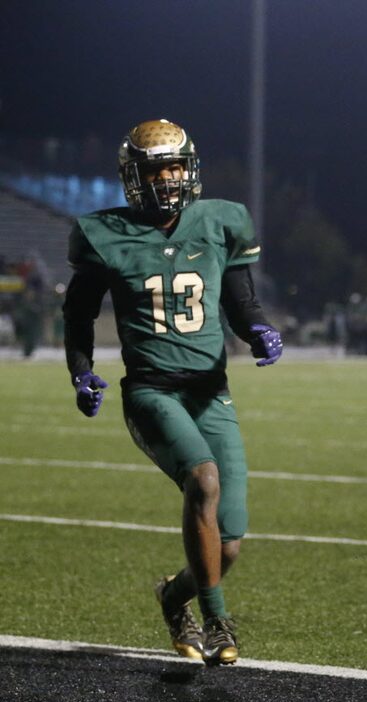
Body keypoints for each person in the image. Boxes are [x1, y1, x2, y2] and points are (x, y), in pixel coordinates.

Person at [63, 119, 283, 665]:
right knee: (202, 480)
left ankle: (173, 595)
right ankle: (218, 622)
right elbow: (79, 313)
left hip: (212, 393)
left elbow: (240, 302)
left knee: (227, 545)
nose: (169, 178)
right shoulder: (103, 232)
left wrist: (258, 330)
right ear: (135, 177)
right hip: (151, 392)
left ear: (192, 169)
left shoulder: (221, 221)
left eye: (176, 166)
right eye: (157, 169)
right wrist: (81, 370)